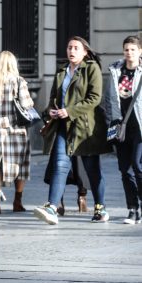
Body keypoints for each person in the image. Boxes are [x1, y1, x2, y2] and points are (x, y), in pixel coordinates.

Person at [34, 36, 112, 225]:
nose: (72, 51)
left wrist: (69, 111)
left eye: (76, 48)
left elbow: (94, 98)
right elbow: (54, 97)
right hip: (63, 126)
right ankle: (52, 207)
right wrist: (50, 111)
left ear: (85, 51)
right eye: (69, 47)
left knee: (92, 170)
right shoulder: (62, 71)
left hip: (85, 127)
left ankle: (100, 208)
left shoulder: (91, 68)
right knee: (60, 165)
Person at [0, 51, 33, 214]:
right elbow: (26, 105)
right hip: (14, 130)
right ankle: (17, 201)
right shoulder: (18, 81)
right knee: (20, 164)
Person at [103, 35, 142, 224]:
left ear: (140, 51)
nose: (129, 53)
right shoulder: (116, 71)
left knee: (137, 165)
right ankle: (133, 209)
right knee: (125, 170)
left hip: (140, 127)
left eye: (133, 49)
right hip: (121, 126)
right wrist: (111, 123)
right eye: (126, 49)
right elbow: (109, 100)